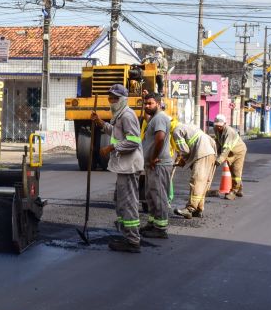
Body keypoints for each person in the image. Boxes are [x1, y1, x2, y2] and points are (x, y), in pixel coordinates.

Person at [91, 84, 144, 253]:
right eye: (110, 98)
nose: (111, 101)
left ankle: (133, 240)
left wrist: (111, 148)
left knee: (128, 203)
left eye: (114, 98)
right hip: (124, 166)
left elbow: (134, 141)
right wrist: (100, 123)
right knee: (121, 201)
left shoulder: (127, 115)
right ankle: (127, 235)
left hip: (129, 166)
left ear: (122, 99)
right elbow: (116, 133)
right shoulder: (120, 115)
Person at [139, 93, 173, 239]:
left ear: (158, 104)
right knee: (151, 195)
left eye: (150, 103)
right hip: (152, 164)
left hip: (158, 164)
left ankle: (160, 228)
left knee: (158, 195)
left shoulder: (159, 118)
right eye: (145, 103)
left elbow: (160, 138)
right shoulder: (154, 118)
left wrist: (153, 157)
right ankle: (153, 223)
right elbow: (147, 120)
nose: (147, 106)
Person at [171, 122, 216, 219]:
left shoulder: (176, 131)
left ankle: (190, 209)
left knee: (197, 181)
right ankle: (198, 209)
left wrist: (181, 159)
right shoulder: (188, 126)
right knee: (202, 183)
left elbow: (185, 150)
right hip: (209, 152)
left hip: (202, 154)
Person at [212, 113, 247, 200]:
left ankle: (233, 191)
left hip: (238, 151)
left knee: (236, 171)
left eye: (220, 126)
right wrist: (214, 153)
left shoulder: (229, 132)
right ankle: (239, 189)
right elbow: (218, 141)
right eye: (216, 125)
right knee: (231, 171)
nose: (218, 127)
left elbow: (226, 148)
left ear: (224, 124)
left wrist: (219, 160)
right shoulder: (215, 129)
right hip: (230, 151)